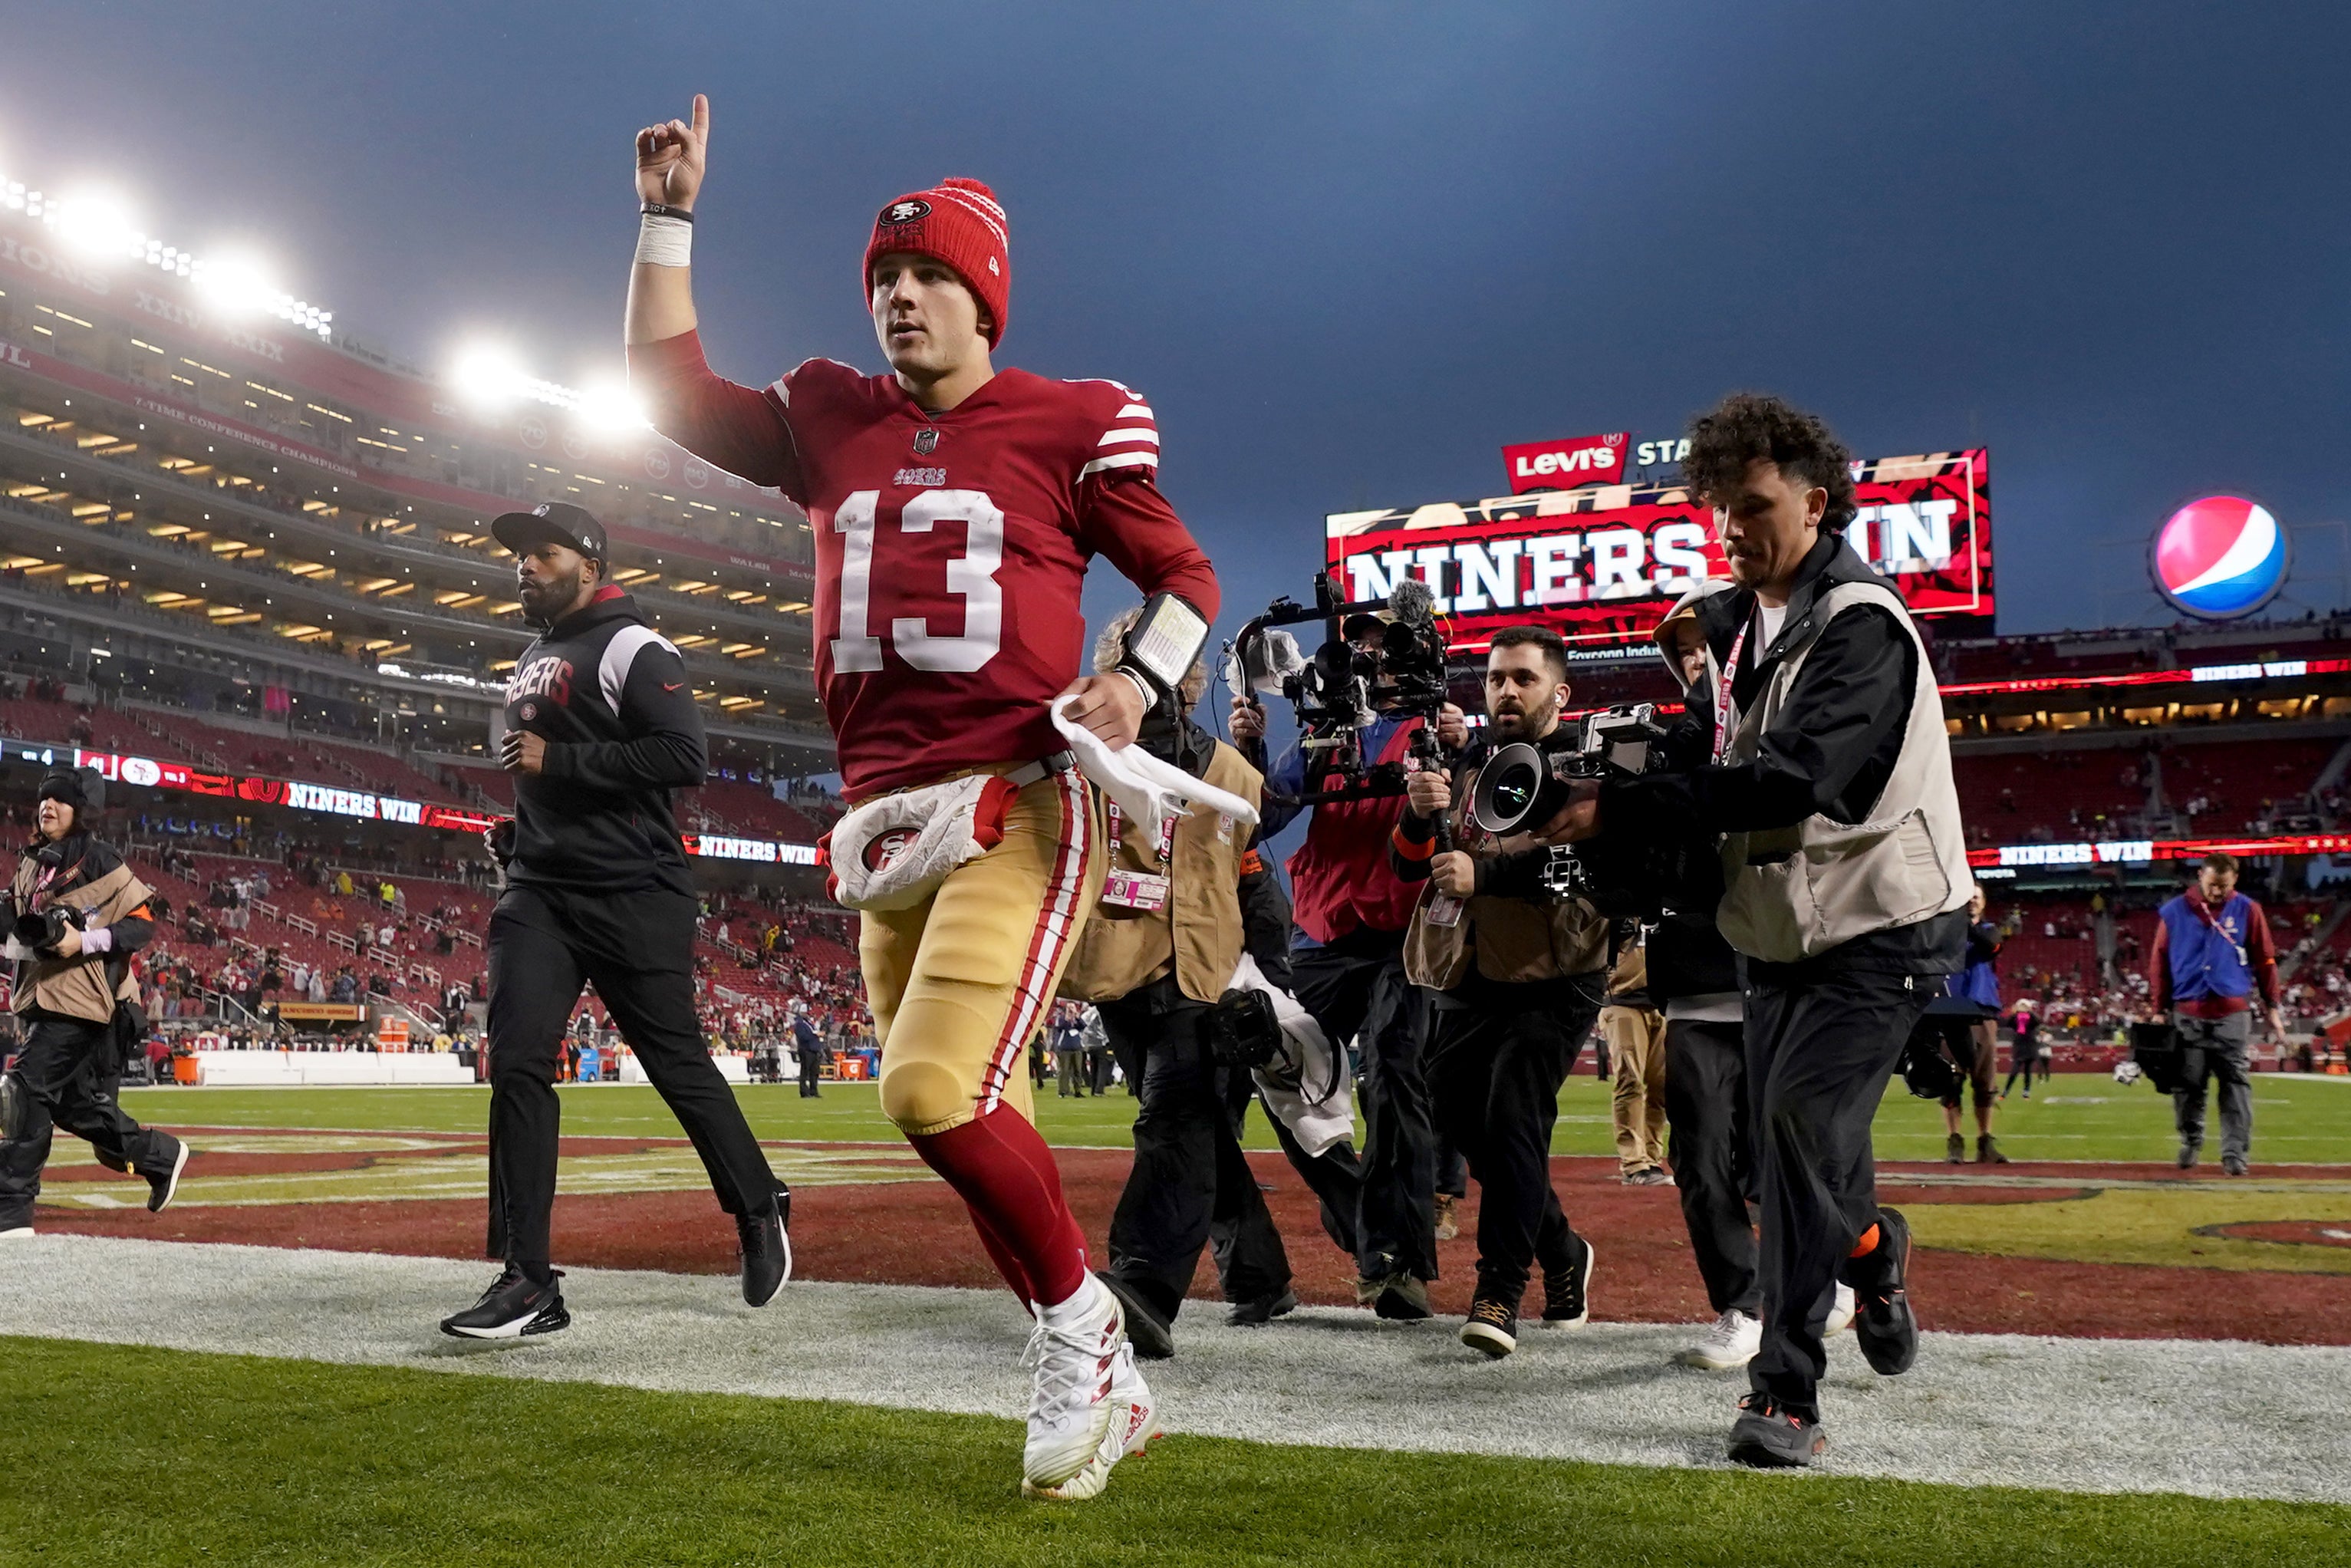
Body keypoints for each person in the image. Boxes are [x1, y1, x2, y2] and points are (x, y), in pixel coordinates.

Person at [627, 97, 1217, 1499]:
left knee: (934, 1088)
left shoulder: (1072, 421)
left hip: (1019, 800)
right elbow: (665, 391)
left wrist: (1136, 679)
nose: (898, 295)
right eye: (884, 275)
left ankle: (1085, 1334)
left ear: (984, 294)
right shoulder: (831, 413)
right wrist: (666, 219)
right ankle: (1098, 1360)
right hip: (884, 825)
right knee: (949, 1112)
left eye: (927, 274)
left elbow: (1186, 578)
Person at [1548, 394, 1971, 1467]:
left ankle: (1785, 1393)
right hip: (1781, 927)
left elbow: (1794, 780)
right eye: (1718, 508)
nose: (1730, 528)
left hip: (1882, 921)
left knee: (1789, 1134)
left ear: (1815, 503)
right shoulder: (1739, 625)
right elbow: (1715, 763)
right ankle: (1871, 1251)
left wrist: (1624, 806)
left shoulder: (1861, 622)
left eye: (1752, 506)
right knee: (1797, 1146)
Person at [439, 502, 792, 1341]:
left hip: (633, 890)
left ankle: (757, 1203)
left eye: (544, 553)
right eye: (520, 555)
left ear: (590, 567)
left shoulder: (636, 646)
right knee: (515, 1065)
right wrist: (524, 830)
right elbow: (556, 783)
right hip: (540, 892)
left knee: (676, 1064)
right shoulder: (533, 655)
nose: (525, 565)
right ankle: (528, 1279)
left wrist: (558, 760)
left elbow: (683, 756)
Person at [1065, 615, 1296, 1358]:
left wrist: (1270, 981)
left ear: (1191, 680)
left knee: (1172, 1121)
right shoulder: (1082, 756)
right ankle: (1260, 1275)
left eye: (1169, 667)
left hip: (1205, 975)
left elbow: (1255, 881)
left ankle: (1143, 1286)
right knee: (1200, 1133)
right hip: (1120, 972)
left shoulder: (1229, 771)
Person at [1234, 618, 1468, 1319]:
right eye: (1361, 645)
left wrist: (1463, 750)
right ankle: (1368, 1217)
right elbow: (1258, 821)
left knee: (1394, 1074)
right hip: (1326, 929)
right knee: (1277, 1061)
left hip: (1408, 932)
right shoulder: (1324, 730)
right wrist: (1250, 750)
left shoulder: (1442, 728)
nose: (1370, 656)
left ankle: (1399, 1263)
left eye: (1385, 645)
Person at [1390, 625, 1604, 1359]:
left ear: (1559, 692)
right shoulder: (1469, 764)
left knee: (1514, 1117)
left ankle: (1499, 1290)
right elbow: (1406, 866)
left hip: (1558, 971)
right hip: (1471, 970)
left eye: (1523, 678)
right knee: (1458, 1119)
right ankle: (1562, 1247)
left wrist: (1486, 875)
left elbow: (1586, 865)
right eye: (1494, 679)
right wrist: (1416, 812)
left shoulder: (1590, 765)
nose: (1506, 691)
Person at [1, 767, 189, 1234]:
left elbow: (142, 924)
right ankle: (161, 1157)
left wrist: (82, 941)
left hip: (90, 999)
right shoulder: (32, 864)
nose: (47, 806)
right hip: (46, 994)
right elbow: (17, 924)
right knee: (72, 1106)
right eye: (44, 799)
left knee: (23, 1088)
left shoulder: (101, 858)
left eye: (60, 800)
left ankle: (12, 1208)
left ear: (81, 810)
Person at [2151, 852, 2283, 1175]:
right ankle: (2191, 1141)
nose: (2216, 892)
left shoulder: (2249, 910)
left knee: (2235, 1084)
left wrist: (2273, 1007)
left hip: (2232, 1014)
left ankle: (2234, 1154)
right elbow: (2159, 962)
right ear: (2201, 876)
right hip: (2188, 1014)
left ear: (2234, 880)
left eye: (2223, 886)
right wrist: (2158, 1010)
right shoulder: (2174, 912)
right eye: (2212, 885)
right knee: (2187, 1086)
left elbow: (2265, 960)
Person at [1926, 885, 2007, 1163]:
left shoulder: (1989, 930)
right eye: (1968, 896)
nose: (1972, 900)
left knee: (1985, 1081)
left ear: (1984, 903)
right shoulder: (1941, 933)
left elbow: (1990, 946)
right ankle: (1955, 1140)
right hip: (1949, 1011)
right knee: (1950, 1081)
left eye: (1977, 896)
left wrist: (1962, 923)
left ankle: (1985, 1140)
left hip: (1981, 1011)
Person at [1601, 924, 1671, 1186]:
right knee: (1629, 1082)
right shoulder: (1616, 911)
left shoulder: (1665, 909)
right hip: (1623, 1001)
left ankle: (1652, 1157)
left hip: (1663, 1003)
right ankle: (1634, 1163)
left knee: (1661, 1086)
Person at [2003, 1001, 2043, 1100]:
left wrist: (2030, 1011)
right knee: (2014, 1071)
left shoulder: (2031, 1020)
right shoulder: (2016, 1019)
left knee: (2028, 1071)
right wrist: (2016, 1012)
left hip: (2030, 1046)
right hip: (2019, 1047)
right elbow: (2008, 1023)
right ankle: (2006, 1091)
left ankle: (2026, 1092)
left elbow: (2038, 1021)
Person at [792, 1009, 827, 1099]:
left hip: (814, 1050)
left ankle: (813, 1091)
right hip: (806, 1050)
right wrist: (816, 1035)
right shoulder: (800, 1024)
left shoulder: (809, 1024)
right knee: (805, 1072)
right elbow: (803, 1037)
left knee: (814, 1072)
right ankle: (804, 1091)